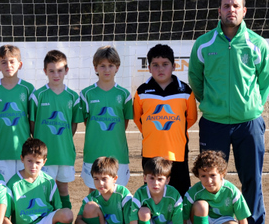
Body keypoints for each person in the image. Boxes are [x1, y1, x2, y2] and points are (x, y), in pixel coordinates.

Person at [188, 0, 269, 224]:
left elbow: (265, 80)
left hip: (248, 123)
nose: (231, 10)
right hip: (214, 123)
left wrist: (253, 107)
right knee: (211, 178)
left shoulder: (257, 44)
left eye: (236, 6)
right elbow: (196, 80)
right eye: (226, 6)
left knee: (252, 178)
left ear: (244, 11)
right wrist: (212, 105)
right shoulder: (203, 44)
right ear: (219, 11)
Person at [133, 44, 198, 197]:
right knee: (153, 193)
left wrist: (174, 131)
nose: (160, 69)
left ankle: (179, 221)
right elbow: (138, 119)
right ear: (148, 68)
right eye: (155, 65)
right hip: (151, 152)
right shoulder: (142, 91)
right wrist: (153, 133)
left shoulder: (185, 91)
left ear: (174, 66)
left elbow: (191, 118)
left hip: (177, 153)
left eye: (165, 64)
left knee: (180, 194)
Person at [2, 138, 74, 224]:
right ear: (22, 159)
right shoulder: (13, 184)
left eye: (38, 162)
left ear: (44, 162)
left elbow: (57, 210)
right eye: (29, 161)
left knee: (67, 214)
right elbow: (4, 216)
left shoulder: (48, 181)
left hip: (45, 222)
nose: (33, 166)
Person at [29, 50, 83, 213]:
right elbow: (33, 124)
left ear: (66, 70)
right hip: (44, 155)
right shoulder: (38, 96)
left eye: (60, 70)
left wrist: (63, 140)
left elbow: (73, 124)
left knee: (63, 189)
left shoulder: (73, 96)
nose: (56, 74)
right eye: (51, 71)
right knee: (45, 191)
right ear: (45, 71)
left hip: (64, 152)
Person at [183, 150, 254, 224]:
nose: (209, 181)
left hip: (221, 222)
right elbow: (182, 220)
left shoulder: (231, 191)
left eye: (212, 175)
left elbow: (243, 220)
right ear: (198, 176)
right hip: (198, 220)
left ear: (222, 173)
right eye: (203, 176)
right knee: (201, 205)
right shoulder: (193, 192)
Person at [80, 46, 134, 191]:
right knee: (94, 192)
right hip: (93, 152)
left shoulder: (124, 94)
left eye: (110, 65)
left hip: (118, 154)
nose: (107, 70)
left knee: (118, 193)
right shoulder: (86, 94)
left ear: (117, 68)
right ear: (95, 68)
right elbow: (87, 122)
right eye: (102, 66)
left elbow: (124, 123)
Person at [0, 45, 34, 182]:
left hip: (23, 148)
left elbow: (32, 119)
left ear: (20, 64)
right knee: (3, 187)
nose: (8, 65)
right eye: (4, 62)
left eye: (12, 61)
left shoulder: (28, 89)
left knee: (22, 187)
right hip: (1, 148)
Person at [74, 157, 133, 224]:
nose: (100, 183)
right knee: (90, 206)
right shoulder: (92, 197)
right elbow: (78, 221)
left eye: (104, 179)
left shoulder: (124, 195)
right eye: (96, 179)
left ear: (115, 178)